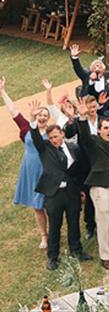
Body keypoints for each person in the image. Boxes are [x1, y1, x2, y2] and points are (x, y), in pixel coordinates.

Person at [74, 98, 109, 270]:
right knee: (104, 220)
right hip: (100, 187)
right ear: (99, 130)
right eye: (105, 128)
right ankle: (104, 255)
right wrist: (82, 118)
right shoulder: (94, 142)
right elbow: (83, 136)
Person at [29, 122, 92, 270]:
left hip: (72, 192)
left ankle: (76, 250)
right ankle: (53, 257)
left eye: (56, 137)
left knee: (74, 222)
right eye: (50, 138)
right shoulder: (45, 148)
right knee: (55, 226)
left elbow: (79, 171)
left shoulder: (74, 148)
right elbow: (36, 137)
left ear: (62, 134)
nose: (53, 140)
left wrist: (81, 190)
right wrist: (33, 122)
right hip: (54, 194)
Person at [1, 77, 48, 250]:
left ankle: (54, 232)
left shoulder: (52, 133)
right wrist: (2, 91)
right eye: (40, 114)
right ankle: (44, 235)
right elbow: (13, 111)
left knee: (49, 205)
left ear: (48, 118)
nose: (42, 116)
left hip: (46, 171)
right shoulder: (26, 128)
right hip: (30, 170)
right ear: (35, 115)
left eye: (45, 115)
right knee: (37, 206)